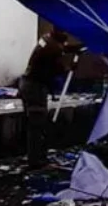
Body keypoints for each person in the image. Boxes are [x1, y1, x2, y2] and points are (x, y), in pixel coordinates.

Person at [19, 27, 82, 169]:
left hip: (28, 84)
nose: (67, 35)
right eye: (65, 32)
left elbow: (63, 48)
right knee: (37, 126)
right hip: (35, 87)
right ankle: (37, 162)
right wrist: (71, 67)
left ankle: (35, 157)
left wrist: (76, 48)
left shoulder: (47, 38)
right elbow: (59, 68)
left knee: (35, 125)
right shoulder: (53, 48)